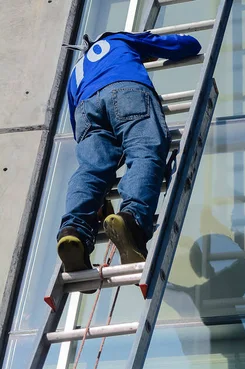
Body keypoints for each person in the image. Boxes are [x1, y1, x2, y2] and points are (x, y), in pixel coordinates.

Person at [57, 30, 201, 272]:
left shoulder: (77, 72)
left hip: (85, 109)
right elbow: (184, 45)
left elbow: (76, 123)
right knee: (144, 151)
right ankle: (132, 221)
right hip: (127, 92)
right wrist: (169, 47)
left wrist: (100, 196)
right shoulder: (119, 39)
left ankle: (74, 231)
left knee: (91, 170)